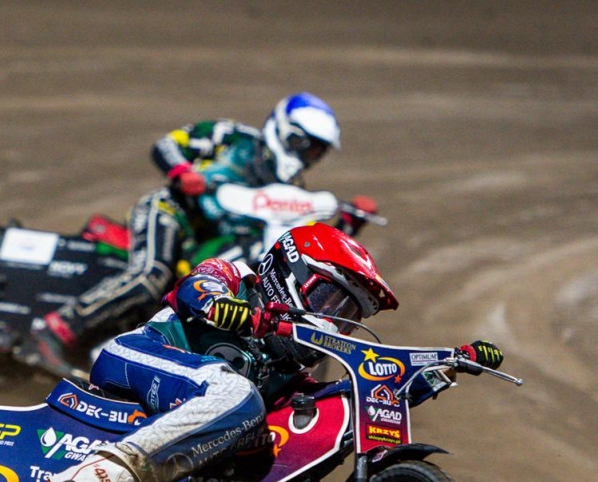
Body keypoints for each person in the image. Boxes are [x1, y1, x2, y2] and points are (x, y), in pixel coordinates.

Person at [32, 224, 504, 482]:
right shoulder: (236, 276)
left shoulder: (290, 367)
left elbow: (350, 400)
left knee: (301, 472)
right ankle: (93, 481)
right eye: (330, 300)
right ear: (288, 272)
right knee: (238, 394)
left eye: (348, 316)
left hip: (200, 413)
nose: (335, 321)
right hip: (138, 359)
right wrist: (231, 310)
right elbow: (198, 288)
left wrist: (441, 369)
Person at [20, 92, 368, 379]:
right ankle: (51, 332)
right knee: (150, 276)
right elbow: (168, 144)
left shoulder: (292, 192)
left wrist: (347, 225)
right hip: (171, 212)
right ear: (287, 132)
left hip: (207, 252)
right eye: (308, 146)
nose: (309, 157)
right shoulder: (235, 138)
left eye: (318, 151)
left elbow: (295, 247)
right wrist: (181, 172)